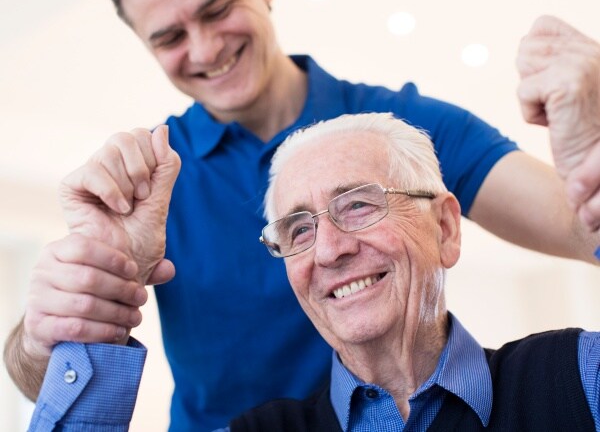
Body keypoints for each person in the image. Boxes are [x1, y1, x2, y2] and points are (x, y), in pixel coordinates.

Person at [5, 0, 600, 429]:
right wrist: (49, 331)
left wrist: (593, 147)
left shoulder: (402, 128)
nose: (206, 48)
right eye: (170, 37)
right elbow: (40, 375)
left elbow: (580, 227)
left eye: (217, 11)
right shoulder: (148, 183)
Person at [27, 113, 600, 431]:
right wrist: (106, 283)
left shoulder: (579, 377)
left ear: (446, 229)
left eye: (358, 204)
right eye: (298, 228)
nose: (327, 251)